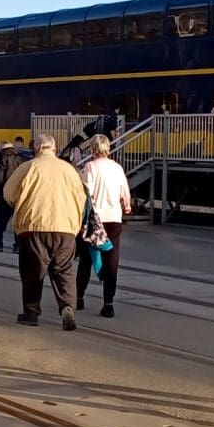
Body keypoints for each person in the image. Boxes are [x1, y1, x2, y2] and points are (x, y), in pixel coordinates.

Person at [3, 133, 87, 330]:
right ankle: (67, 307)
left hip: (33, 228)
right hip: (65, 228)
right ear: (54, 148)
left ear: (37, 148)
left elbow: (8, 193)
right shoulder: (70, 170)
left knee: (32, 271)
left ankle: (31, 313)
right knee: (64, 270)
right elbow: (82, 197)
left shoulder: (28, 167)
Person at [76, 135, 134, 318]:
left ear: (93, 149)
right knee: (111, 262)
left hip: (95, 220)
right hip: (114, 220)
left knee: (85, 259)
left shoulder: (90, 167)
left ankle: (79, 298)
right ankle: (108, 304)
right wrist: (126, 207)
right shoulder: (117, 168)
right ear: (107, 148)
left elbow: (86, 194)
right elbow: (125, 195)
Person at [0, 141, 21, 252]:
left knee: (0, 223)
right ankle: (18, 246)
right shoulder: (20, 160)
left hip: (5, 196)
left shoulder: (1, 160)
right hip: (18, 196)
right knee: (17, 223)